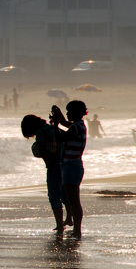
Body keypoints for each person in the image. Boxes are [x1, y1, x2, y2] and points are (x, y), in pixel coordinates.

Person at [21, 113, 68, 234]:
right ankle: (69, 219)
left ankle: (59, 225)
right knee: (64, 193)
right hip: (65, 163)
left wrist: (47, 162)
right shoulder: (52, 128)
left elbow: (41, 147)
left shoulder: (41, 131)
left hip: (54, 164)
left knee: (54, 195)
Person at [51, 100, 87, 238]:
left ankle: (77, 231)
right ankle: (76, 230)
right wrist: (60, 117)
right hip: (73, 164)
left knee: (74, 201)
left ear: (76, 112)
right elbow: (67, 124)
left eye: (69, 111)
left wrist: (55, 124)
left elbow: (60, 138)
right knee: (73, 200)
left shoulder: (76, 127)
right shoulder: (79, 125)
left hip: (71, 166)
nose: (67, 113)